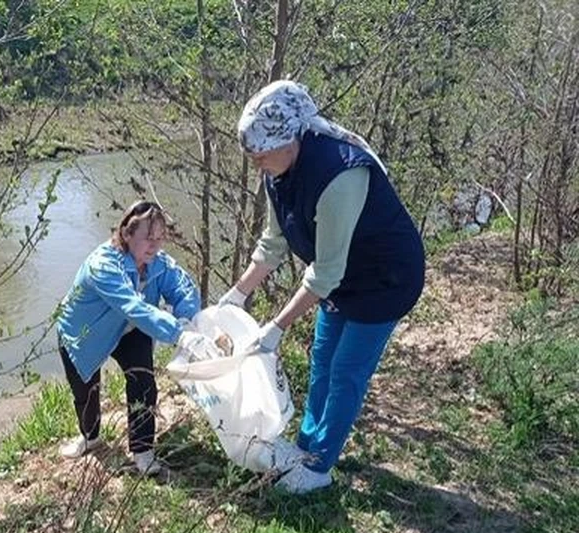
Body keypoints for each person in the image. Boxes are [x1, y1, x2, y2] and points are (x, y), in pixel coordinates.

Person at [219, 80, 425, 494]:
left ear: (289, 138)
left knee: (346, 373)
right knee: (321, 364)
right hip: (341, 278)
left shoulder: (339, 175)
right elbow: (273, 243)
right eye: (252, 156)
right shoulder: (277, 170)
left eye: (260, 155)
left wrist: (275, 329)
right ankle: (305, 450)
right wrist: (236, 295)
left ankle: (318, 469)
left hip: (385, 278)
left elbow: (324, 274)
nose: (256, 163)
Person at [56, 200, 216, 475]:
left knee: (143, 381)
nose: (154, 245)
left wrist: (187, 320)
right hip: (85, 331)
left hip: (130, 329)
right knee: (86, 389)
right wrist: (179, 334)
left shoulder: (157, 263)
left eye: (159, 238)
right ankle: (90, 437)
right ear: (127, 234)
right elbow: (133, 306)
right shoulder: (103, 265)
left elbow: (183, 288)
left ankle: (143, 452)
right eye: (147, 238)